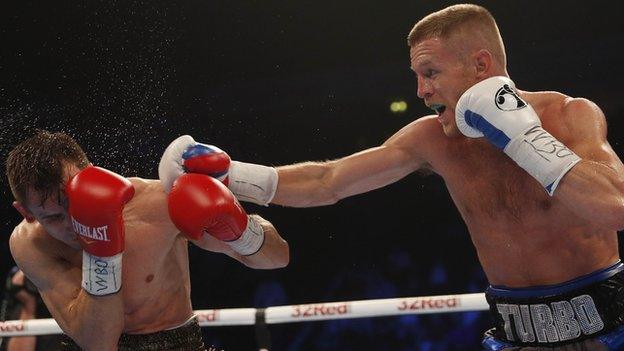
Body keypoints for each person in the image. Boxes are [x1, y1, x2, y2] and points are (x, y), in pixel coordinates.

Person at [158, 4, 624, 350]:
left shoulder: (568, 116)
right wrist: (230, 174)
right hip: (516, 332)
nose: (421, 91)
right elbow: (329, 181)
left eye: (431, 73)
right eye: (418, 76)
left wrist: (520, 136)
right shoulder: (432, 139)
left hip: (609, 325)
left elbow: (615, 208)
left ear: (481, 66)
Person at [6, 130, 289, 350]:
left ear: (92, 173)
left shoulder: (158, 203)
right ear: (26, 213)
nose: (73, 223)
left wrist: (242, 227)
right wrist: (101, 246)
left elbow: (278, 258)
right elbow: (99, 345)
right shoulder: (30, 244)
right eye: (54, 218)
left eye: (75, 203)